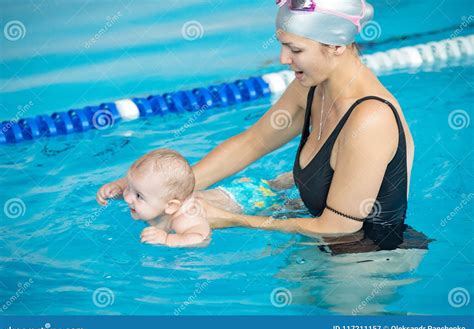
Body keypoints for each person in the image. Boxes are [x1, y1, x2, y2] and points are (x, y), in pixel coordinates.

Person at [103, 0, 419, 252]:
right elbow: (252, 142)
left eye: (295, 50)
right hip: (320, 249)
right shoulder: (311, 88)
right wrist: (159, 187)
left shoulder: (370, 119)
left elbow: (339, 227)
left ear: (336, 45)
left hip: (368, 262)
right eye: (283, 45)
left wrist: (234, 220)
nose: (283, 59)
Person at [96, 149, 296, 247]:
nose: (128, 197)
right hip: (238, 187)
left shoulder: (185, 217)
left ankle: (296, 178)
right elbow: (143, 187)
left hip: (254, 198)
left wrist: (168, 239)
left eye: (138, 195)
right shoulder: (160, 199)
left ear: (172, 206)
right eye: (129, 189)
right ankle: (287, 179)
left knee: (285, 199)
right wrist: (116, 188)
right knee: (274, 183)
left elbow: (202, 238)